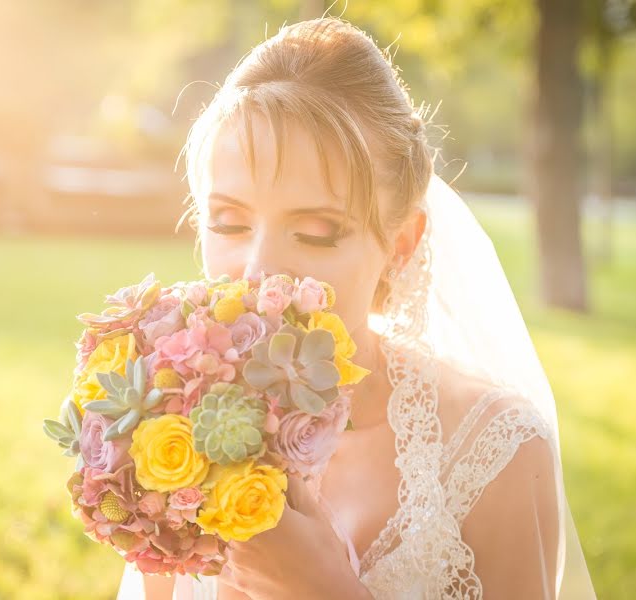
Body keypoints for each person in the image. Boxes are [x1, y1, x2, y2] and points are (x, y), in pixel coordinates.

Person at [117, 17, 596, 599]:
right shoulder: (173, 436)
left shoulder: (495, 451)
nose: (257, 271)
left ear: (401, 244)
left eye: (317, 232)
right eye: (229, 222)